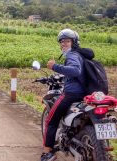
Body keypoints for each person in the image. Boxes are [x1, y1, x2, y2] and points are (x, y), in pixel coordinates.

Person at [40, 29, 94, 161]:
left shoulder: (72, 55)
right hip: (85, 94)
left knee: (51, 121)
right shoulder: (81, 55)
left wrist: (54, 66)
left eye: (67, 41)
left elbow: (75, 71)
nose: (63, 44)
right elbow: (78, 74)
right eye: (62, 41)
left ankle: (49, 153)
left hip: (71, 94)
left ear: (74, 43)